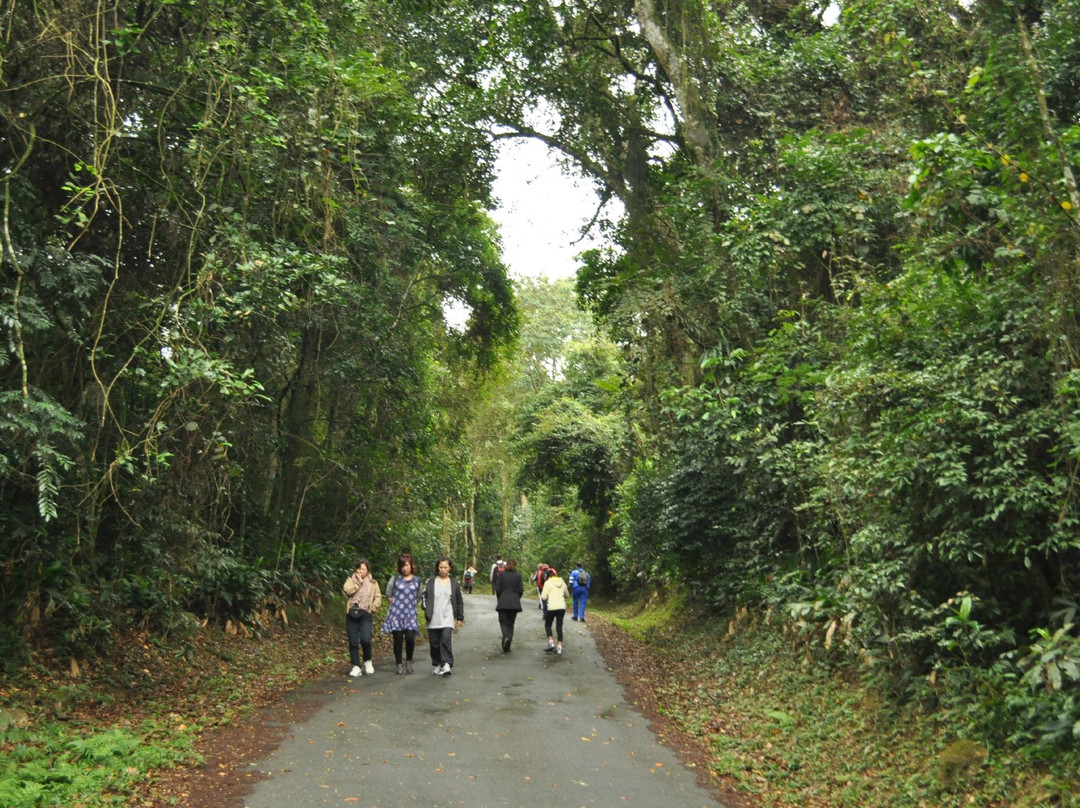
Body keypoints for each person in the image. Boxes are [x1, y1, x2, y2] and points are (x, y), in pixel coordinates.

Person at [423, 556, 465, 675]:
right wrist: (426, 609)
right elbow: (424, 596)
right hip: (433, 617)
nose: (442, 569)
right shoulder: (430, 581)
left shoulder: (454, 583)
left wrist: (460, 617)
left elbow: (459, 600)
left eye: (445, 567)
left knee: (445, 640)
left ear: (450, 568)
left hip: (447, 617)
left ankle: (446, 664)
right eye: (440, 567)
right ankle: (437, 664)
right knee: (434, 643)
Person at [382, 552, 422, 674]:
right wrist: (395, 605)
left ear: (411, 565)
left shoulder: (417, 580)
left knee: (410, 638)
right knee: (398, 639)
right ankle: (399, 663)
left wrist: (410, 605)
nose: (405, 568)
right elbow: (388, 593)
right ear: (400, 567)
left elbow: (418, 596)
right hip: (396, 615)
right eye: (403, 566)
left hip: (410, 614)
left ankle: (409, 661)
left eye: (407, 565)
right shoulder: (395, 579)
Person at [343, 559, 382, 677]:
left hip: (366, 614)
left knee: (365, 639)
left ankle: (367, 661)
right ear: (356, 569)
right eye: (359, 568)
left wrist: (373, 608)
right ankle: (356, 666)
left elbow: (378, 596)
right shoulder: (350, 580)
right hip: (351, 614)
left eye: (364, 569)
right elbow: (347, 591)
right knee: (353, 641)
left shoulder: (373, 583)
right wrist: (358, 583)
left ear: (367, 570)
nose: (361, 571)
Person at [493, 558, 524, 652]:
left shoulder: (502, 575)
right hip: (514, 603)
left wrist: (500, 598)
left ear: (506, 565)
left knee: (503, 622)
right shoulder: (518, 576)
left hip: (503, 601)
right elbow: (521, 590)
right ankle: (508, 642)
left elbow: (498, 589)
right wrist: (517, 597)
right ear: (515, 565)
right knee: (511, 623)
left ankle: (506, 636)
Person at [540, 567, 570, 655]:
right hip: (561, 607)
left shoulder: (548, 583)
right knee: (559, 626)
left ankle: (551, 642)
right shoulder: (562, 582)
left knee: (548, 624)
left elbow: (543, 597)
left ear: (548, 576)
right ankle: (559, 647)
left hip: (552, 607)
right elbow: (567, 595)